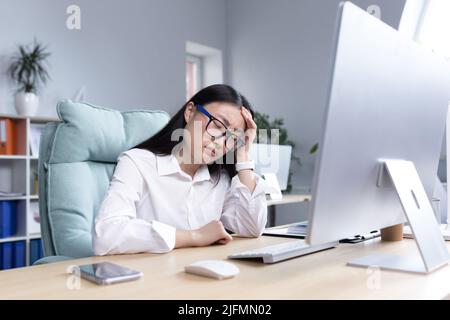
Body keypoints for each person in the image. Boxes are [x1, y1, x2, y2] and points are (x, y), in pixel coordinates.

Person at [93, 84, 269, 255]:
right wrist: (194, 237)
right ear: (190, 112)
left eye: (232, 137)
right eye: (217, 126)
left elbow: (251, 228)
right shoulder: (137, 163)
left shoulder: (220, 178)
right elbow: (106, 236)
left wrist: (244, 154)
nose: (220, 142)